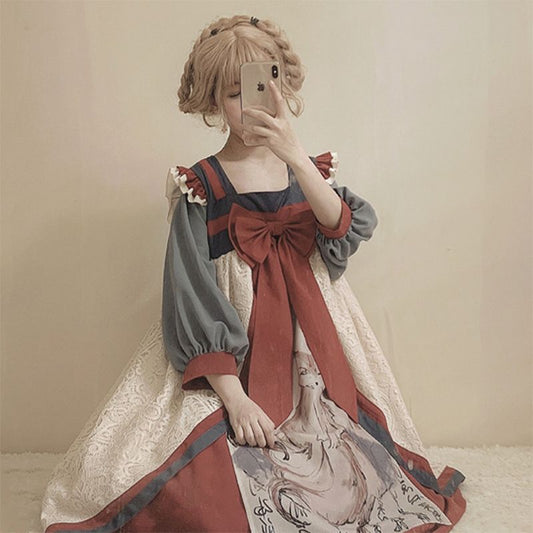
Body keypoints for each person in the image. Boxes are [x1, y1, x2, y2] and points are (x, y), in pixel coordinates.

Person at [40, 14, 467, 532]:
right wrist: (235, 397)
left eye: (263, 86)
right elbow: (192, 293)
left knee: (359, 481)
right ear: (213, 102)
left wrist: (294, 153)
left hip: (312, 348)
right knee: (207, 496)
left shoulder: (309, 171)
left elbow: (343, 228)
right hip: (233, 359)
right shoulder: (201, 187)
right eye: (233, 94)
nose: (250, 105)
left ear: (283, 87)